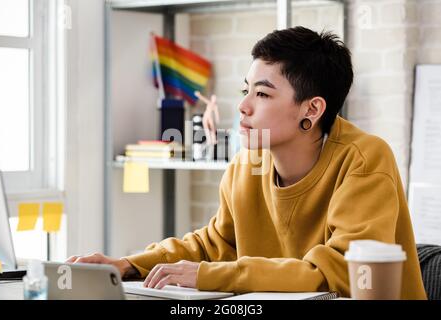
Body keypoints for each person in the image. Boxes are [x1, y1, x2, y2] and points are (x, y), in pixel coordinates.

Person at [67, 27, 427, 299]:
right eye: (246, 90)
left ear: (312, 109)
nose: (243, 106)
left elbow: (335, 274)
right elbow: (214, 244)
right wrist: (128, 265)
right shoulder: (247, 164)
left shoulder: (364, 160)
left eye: (263, 94)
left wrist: (209, 275)